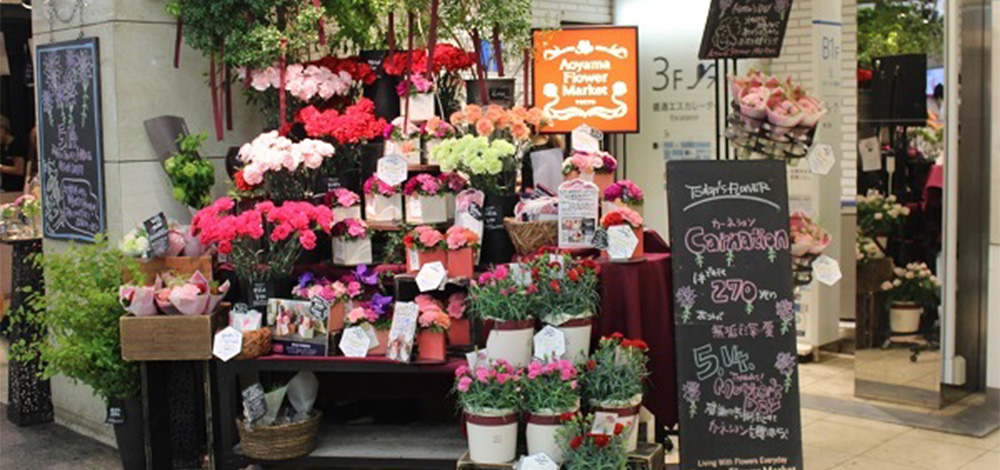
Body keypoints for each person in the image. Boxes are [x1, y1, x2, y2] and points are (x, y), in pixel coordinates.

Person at [1, 115, 27, 193]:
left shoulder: (16, 145)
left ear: (3, 129)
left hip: (16, 189)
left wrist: (1, 168)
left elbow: (19, 170)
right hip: (6, 188)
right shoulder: (3, 147)